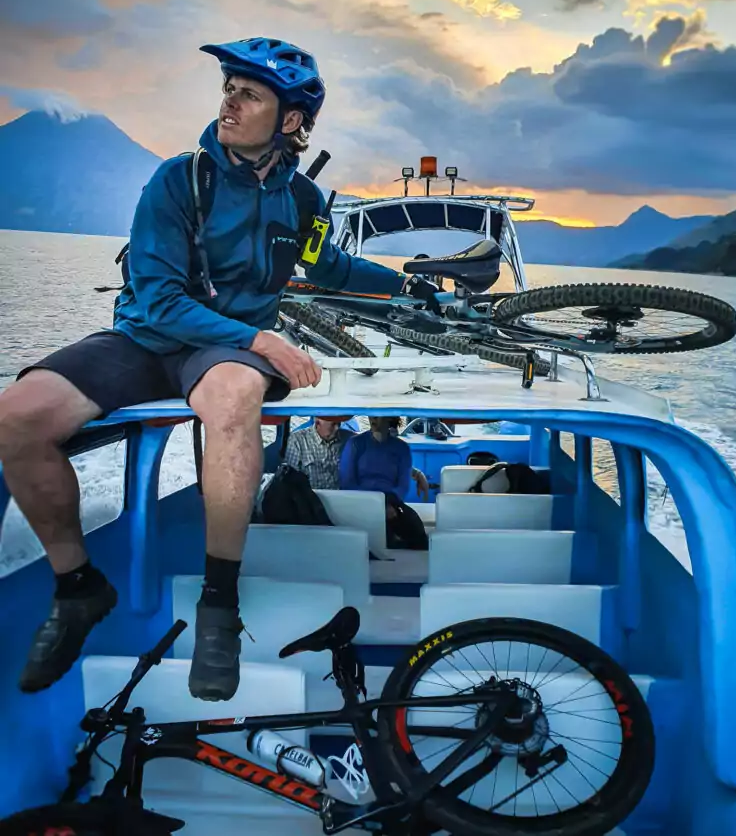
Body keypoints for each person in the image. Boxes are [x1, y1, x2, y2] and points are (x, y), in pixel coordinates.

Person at [0, 36, 439, 702]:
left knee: (233, 395)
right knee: (18, 417)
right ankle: (78, 587)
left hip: (220, 353)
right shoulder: (178, 181)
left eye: (250, 93)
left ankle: (218, 607)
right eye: (229, 88)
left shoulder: (304, 204)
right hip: (147, 336)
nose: (230, 101)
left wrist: (407, 287)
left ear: (291, 120)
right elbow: (158, 298)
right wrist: (261, 340)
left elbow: (330, 268)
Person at [284, 416, 430, 498]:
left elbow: (377, 457)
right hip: (312, 500)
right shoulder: (298, 441)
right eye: (334, 424)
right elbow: (288, 478)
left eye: (339, 423)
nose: (338, 428)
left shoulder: (350, 439)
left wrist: (416, 473)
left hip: (343, 501)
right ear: (317, 422)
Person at [339, 417, 428, 550]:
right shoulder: (355, 444)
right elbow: (347, 482)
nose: (373, 418)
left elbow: (402, 486)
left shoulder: (402, 448)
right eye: (371, 415)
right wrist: (374, 506)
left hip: (391, 504)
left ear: (389, 418)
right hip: (359, 503)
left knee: (418, 536)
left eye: (378, 415)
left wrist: (387, 504)